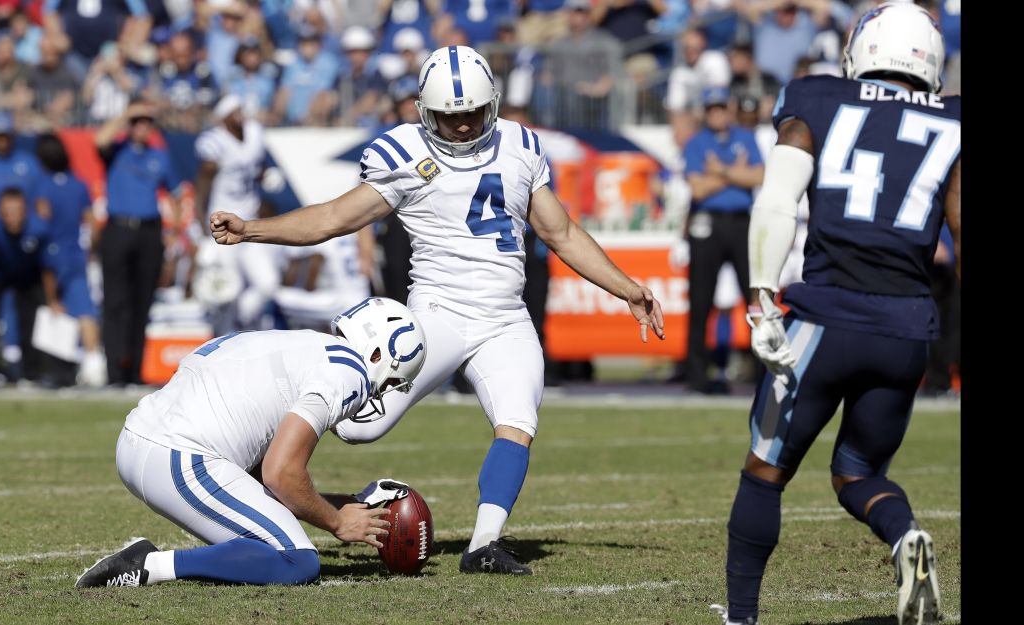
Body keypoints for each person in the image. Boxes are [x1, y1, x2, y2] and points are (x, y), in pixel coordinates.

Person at [209, 45, 665, 575]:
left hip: (505, 316)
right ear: (426, 112)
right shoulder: (403, 154)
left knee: (517, 421)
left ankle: (483, 546)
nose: (466, 125)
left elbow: (559, 231)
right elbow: (334, 218)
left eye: (473, 112)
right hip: (437, 316)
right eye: (451, 117)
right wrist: (252, 230)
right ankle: (257, 471)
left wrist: (626, 287)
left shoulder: (519, 143)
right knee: (358, 429)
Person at [709, 4, 960, 625]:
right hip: (905, 329)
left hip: (826, 317)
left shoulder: (818, 97)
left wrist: (764, 298)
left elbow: (777, 198)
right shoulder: (953, 118)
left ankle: (741, 616)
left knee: (764, 472)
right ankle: (905, 538)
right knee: (857, 471)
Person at [74, 297, 427, 588]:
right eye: (390, 381)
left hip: (141, 442)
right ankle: (149, 564)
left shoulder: (299, 344)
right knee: (297, 561)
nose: (381, 391)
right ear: (379, 354)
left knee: (270, 545)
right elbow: (280, 474)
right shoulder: (348, 370)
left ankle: (152, 562)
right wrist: (337, 522)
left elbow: (262, 482)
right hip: (180, 455)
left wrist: (346, 505)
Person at [95, 98, 184, 386]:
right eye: (138, 122)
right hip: (118, 228)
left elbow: (176, 193)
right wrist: (128, 113)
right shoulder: (117, 150)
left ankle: (134, 371)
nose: (143, 127)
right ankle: (114, 372)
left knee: (142, 302)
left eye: (147, 122)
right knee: (115, 303)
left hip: (149, 231)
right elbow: (100, 139)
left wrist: (174, 231)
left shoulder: (159, 155)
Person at [681, 86, 763, 395]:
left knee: (753, 296)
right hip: (709, 222)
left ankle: (761, 370)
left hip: (741, 222)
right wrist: (733, 174)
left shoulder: (745, 136)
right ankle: (697, 373)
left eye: (721, 107)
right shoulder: (696, 143)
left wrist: (718, 171)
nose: (717, 113)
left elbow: (759, 177)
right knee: (701, 301)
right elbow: (697, 190)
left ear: (729, 109)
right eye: (712, 108)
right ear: (705, 111)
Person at [194, 95, 276, 332]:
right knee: (228, 289)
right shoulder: (214, 142)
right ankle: (224, 338)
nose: (240, 114)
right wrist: (203, 227)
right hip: (224, 225)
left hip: (250, 224)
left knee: (267, 282)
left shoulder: (254, 133)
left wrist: (264, 177)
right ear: (222, 117)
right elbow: (203, 185)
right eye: (233, 110)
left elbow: (257, 168)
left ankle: (240, 322)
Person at [33, 133, 107, 387]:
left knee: (55, 309)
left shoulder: (43, 185)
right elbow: (93, 224)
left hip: (51, 252)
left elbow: (41, 219)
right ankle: (92, 363)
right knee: (84, 309)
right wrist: (90, 249)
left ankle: (66, 368)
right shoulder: (78, 184)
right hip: (75, 252)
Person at [0, 187, 54, 384]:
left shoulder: (39, 229)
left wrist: (52, 299)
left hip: (28, 276)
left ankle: (32, 371)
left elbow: (47, 267)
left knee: (34, 318)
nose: (12, 217)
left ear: (25, 211)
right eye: (7, 211)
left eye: (17, 210)